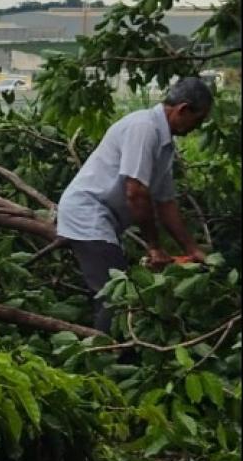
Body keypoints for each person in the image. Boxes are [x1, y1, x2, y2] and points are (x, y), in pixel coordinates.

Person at [56, 76, 213, 333]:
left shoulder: (164, 144)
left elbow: (165, 203)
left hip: (103, 218)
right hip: (88, 214)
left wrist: (191, 248)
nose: (196, 128)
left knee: (118, 288)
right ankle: (106, 357)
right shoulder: (144, 128)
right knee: (115, 293)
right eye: (198, 120)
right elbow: (136, 193)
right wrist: (154, 247)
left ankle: (110, 348)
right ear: (183, 109)